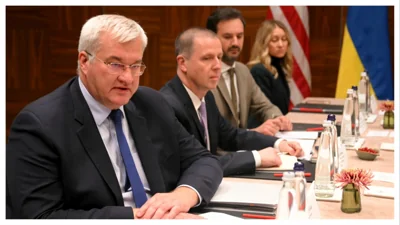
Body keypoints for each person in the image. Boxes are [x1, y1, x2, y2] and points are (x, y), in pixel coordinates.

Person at [6, 14, 223, 219]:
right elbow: (40, 217)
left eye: (135, 65)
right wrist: (137, 218)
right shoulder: (40, 125)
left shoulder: (151, 103)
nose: (127, 78)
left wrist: (182, 195)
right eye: (115, 64)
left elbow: (204, 159)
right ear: (84, 61)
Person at [160, 27, 303, 176]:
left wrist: (278, 143)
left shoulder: (206, 96)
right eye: (207, 58)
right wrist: (257, 157)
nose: (217, 66)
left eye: (219, 57)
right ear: (183, 63)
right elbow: (197, 162)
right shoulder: (168, 105)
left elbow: (232, 136)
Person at [206, 7, 293, 136]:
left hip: (244, 149)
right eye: (228, 36)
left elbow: (265, 106)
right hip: (219, 153)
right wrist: (253, 132)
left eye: (239, 36)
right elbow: (210, 131)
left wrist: (277, 119)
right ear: (212, 37)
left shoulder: (243, 71)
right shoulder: (204, 74)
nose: (235, 42)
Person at [247, 20, 292, 115]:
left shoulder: (278, 67)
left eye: (284, 39)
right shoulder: (259, 71)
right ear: (264, 43)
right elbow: (263, 110)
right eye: (275, 40)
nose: (281, 45)